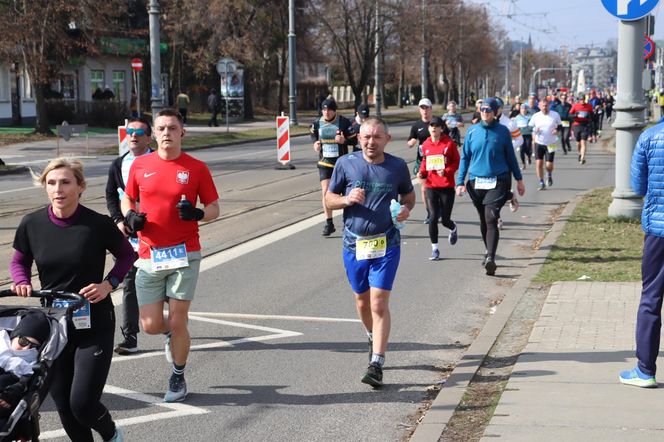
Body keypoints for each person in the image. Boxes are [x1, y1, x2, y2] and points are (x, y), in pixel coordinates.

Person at [9, 157, 133, 442]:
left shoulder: (98, 224)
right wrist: (22, 281)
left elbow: (127, 255)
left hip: (94, 322)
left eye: (65, 182)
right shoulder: (31, 223)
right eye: (51, 183)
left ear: (80, 187)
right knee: (64, 406)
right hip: (54, 328)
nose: (58, 189)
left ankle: (111, 433)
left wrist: (108, 284)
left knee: (82, 404)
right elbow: (19, 261)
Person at [121, 108, 220, 402]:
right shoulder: (140, 165)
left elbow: (215, 208)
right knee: (150, 326)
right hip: (150, 254)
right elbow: (129, 196)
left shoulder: (197, 168)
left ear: (182, 133)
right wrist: (130, 216)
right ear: (154, 133)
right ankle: (169, 336)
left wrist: (197, 213)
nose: (167, 133)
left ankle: (178, 376)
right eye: (161, 128)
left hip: (185, 254)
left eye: (172, 128)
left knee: (179, 321)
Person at [325, 117, 415, 387]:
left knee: (378, 303)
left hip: (386, 243)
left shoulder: (397, 166)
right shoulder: (345, 164)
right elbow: (328, 199)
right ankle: (370, 333)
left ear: (387, 139)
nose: (370, 142)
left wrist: (406, 210)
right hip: (354, 243)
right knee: (362, 302)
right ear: (358, 139)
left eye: (376, 137)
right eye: (365, 137)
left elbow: (408, 197)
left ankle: (377, 362)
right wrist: (345, 199)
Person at [455, 98, 525, 276]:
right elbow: (465, 158)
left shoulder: (502, 131)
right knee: (483, 219)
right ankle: (488, 252)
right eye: (482, 109)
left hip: (498, 181)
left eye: (488, 109)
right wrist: (460, 182)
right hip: (476, 183)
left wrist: (519, 179)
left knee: (491, 217)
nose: (485, 112)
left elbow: (511, 157)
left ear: (495, 112)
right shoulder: (472, 132)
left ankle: (491, 259)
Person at [619, 120, 664, 388]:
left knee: (651, 297)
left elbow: (638, 185)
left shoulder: (649, 136)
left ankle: (645, 370)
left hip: (658, 231)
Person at [105, 117, 154, 355]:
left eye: (138, 132)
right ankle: (130, 337)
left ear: (148, 137)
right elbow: (112, 196)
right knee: (130, 284)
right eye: (130, 132)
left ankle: (173, 325)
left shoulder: (160, 162)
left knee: (162, 286)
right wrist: (118, 220)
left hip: (158, 238)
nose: (133, 135)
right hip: (130, 237)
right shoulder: (118, 164)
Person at [309, 98, 355, 236]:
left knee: (345, 194)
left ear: (334, 110)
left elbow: (354, 138)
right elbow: (313, 133)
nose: (326, 112)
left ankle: (348, 221)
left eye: (329, 110)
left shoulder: (343, 122)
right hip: (325, 162)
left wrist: (344, 141)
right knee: (325, 191)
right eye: (324, 110)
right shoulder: (317, 123)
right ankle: (329, 223)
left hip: (341, 163)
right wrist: (315, 143)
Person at [417, 117, 459, 261]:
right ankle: (435, 249)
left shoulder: (449, 143)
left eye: (436, 126)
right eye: (431, 126)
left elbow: (456, 161)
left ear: (441, 128)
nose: (433, 128)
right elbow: (425, 161)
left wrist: (446, 171)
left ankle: (453, 228)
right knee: (433, 217)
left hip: (446, 186)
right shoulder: (426, 144)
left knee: (445, 220)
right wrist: (421, 172)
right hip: (431, 186)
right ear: (429, 128)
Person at [0, 310, 51, 420]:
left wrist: (12, 393)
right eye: (23, 342)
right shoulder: (2, 348)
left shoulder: (29, 368)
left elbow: (23, 386)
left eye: (34, 347)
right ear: (14, 337)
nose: (26, 348)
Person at [407, 98, 435, 223]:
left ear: (431, 109)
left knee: (437, 188)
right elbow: (410, 140)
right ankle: (429, 213)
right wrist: (411, 142)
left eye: (426, 108)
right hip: (422, 160)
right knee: (424, 188)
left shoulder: (437, 123)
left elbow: (448, 138)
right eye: (422, 108)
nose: (424, 111)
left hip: (436, 160)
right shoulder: (416, 125)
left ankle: (436, 207)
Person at [529, 97, 562, 191]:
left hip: (551, 142)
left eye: (546, 105)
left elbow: (560, 125)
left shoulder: (555, 115)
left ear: (549, 106)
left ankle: (549, 174)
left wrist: (557, 130)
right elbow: (531, 127)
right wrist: (535, 130)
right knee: (539, 164)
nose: (544, 107)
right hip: (539, 142)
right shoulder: (536, 116)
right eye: (543, 106)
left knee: (549, 165)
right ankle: (541, 182)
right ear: (539, 106)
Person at [569, 93, 593, 164]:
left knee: (584, 142)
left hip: (585, 125)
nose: (582, 101)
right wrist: (575, 115)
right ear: (579, 100)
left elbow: (592, 115)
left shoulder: (589, 106)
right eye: (581, 100)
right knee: (578, 143)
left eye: (583, 99)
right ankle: (580, 153)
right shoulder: (575, 106)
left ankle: (583, 157)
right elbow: (570, 114)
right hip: (576, 125)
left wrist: (589, 116)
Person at [515, 104, 533, 170]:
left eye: (525, 109)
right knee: (522, 150)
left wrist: (529, 127)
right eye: (522, 109)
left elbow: (532, 125)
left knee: (528, 147)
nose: (523, 110)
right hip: (520, 135)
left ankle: (528, 156)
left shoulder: (530, 117)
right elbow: (514, 126)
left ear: (526, 110)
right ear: (520, 110)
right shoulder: (517, 117)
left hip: (528, 134)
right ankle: (523, 164)